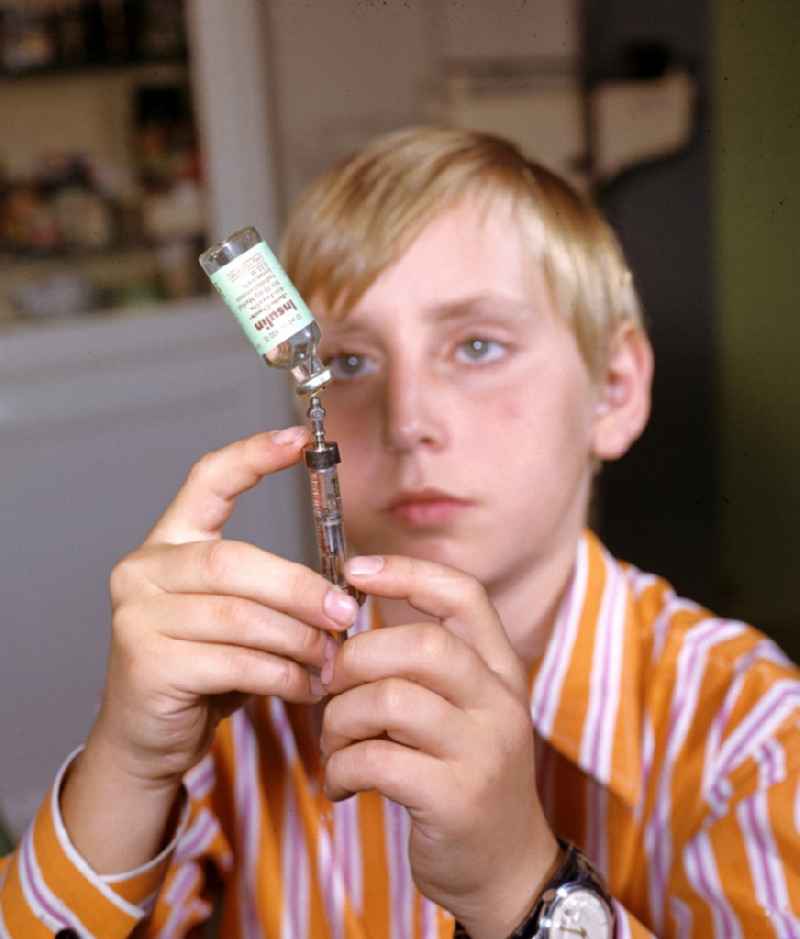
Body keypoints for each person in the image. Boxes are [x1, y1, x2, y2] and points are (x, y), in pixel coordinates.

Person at [1, 126, 798, 939]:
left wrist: (522, 892)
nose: (408, 419)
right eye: (348, 362)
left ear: (615, 390)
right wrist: (131, 768)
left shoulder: (755, 739)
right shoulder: (247, 714)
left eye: (477, 346)